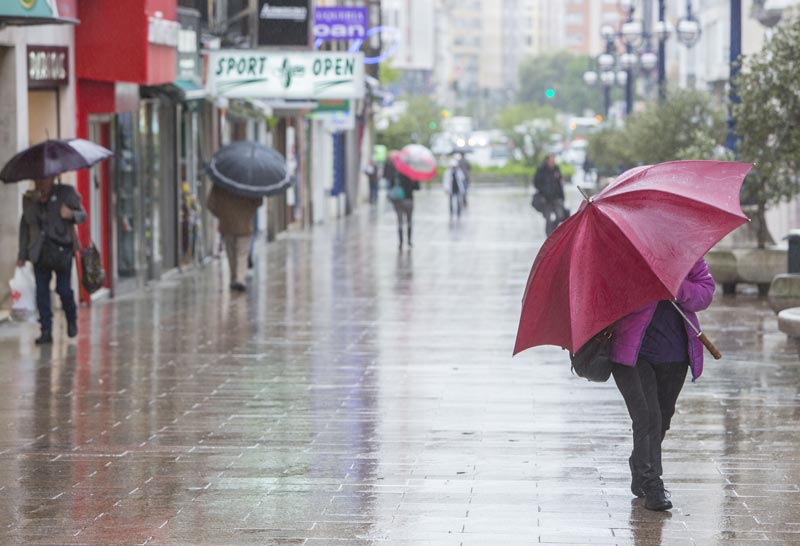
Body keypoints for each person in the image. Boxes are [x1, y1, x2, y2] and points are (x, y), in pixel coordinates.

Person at [610, 259, 715, 511]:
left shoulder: (686, 254)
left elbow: (705, 293)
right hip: (632, 354)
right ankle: (653, 485)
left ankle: (640, 462)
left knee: (663, 417)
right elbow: (607, 296)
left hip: (674, 354)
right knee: (648, 417)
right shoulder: (622, 256)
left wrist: (675, 287)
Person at [17, 177, 86, 345]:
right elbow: (24, 226)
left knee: (63, 290)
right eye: (39, 179)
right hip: (39, 252)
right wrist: (22, 255)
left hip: (61, 250)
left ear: (53, 178)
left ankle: (71, 318)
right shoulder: (29, 199)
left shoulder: (67, 193)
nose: (41, 182)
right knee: (42, 293)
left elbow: (82, 215)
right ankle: (46, 330)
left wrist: (71, 214)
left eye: (45, 178)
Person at [206, 185, 262, 292]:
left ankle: (233, 278)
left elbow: (210, 204)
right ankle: (239, 278)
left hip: (227, 224)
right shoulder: (248, 183)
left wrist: (222, 214)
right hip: (245, 224)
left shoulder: (221, 183)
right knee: (242, 254)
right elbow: (259, 202)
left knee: (231, 254)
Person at [387, 160, 419, 250]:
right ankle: (409, 241)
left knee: (400, 222)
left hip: (398, 201)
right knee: (409, 221)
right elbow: (417, 188)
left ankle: (400, 242)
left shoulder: (396, 174)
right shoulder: (412, 175)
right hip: (409, 200)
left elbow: (391, 186)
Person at [533, 154, 567, 236]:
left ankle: (554, 231)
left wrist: (562, 197)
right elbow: (536, 183)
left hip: (556, 198)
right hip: (546, 199)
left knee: (560, 216)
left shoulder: (556, 169)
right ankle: (549, 237)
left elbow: (560, 182)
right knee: (548, 219)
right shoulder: (541, 170)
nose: (553, 162)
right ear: (547, 160)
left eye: (554, 160)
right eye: (551, 160)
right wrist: (544, 191)